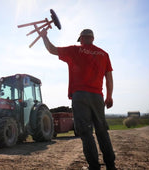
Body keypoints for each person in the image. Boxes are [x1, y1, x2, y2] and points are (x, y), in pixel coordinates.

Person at [39, 28, 117, 170]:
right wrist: (109, 96)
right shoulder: (104, 54)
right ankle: (111, 165)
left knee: (86, 132)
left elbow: (51, 49)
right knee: (101, 131)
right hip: (98, 97)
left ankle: (94, 167)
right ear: (92, 39)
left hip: (80, 96)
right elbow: (109, 79)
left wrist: (44, 36)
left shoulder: (74, 50)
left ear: (81, 38)